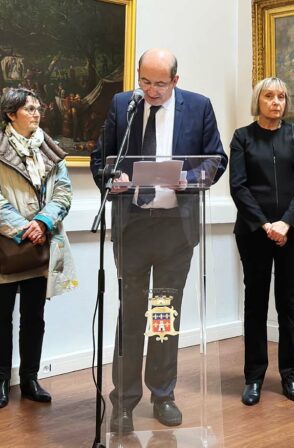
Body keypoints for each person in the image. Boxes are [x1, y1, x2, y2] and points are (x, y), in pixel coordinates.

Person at [90, 48, 228, 433]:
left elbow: (216, 159)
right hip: (131, 228)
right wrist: (111, 179)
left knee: (164, 313)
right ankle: (124, 402)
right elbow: (100, 158)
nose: (151, 91)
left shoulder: (199, 107)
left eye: (160, 84)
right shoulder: (123, 105)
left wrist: (189, 179)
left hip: (175, 229)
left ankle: (163, 394)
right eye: (145, 81)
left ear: (176, 81)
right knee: (130, 315)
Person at [0, 87, 77, 410]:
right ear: (10, 114)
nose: (36, 113)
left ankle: (30, 378)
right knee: (0, 316)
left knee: (35, 316)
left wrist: (43, 222)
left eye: (37, 108)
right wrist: (22, 228)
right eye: (29, 109)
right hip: (5, 244)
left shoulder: (50, 149)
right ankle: (1, 381)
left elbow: (63, 191)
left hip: (42, 241)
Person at [229, 77, 294, 406]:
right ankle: (254, 377)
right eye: (269, 96)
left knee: (288, 305)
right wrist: (265, 224)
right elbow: (239, 186)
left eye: (281, 96)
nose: (276, 102)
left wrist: (286, 223)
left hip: (293, 234)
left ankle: (290, 375)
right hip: (254, 233)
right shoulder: (242, 138)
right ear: (258, 100)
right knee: (255, 304)